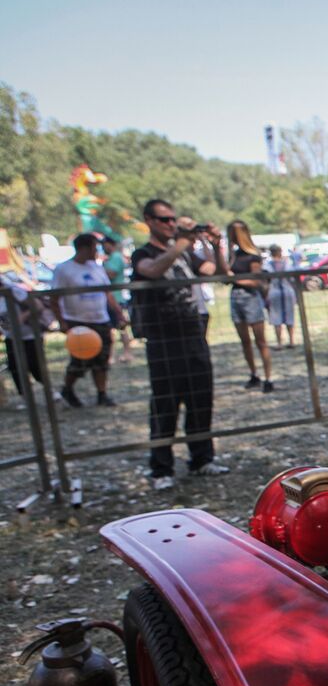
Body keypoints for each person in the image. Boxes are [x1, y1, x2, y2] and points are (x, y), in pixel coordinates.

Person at [130, 198, 229, 490]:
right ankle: (161, 468)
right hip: (163, 340)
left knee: (201, 400)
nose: (171, 224)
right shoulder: (143, 253)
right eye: (164, 219)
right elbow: (151, 270)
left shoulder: (184, 254)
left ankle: (202, 459)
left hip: (194, 334)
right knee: (165, 406)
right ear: (149, 220)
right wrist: (181, 243)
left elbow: (214, 271)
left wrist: (214, 243)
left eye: (173, 219)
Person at [52, 233, 124, 407]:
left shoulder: (97, 267)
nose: (96, 251)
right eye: (93, 247)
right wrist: (62, 321)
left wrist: (118, 313)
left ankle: (102, 393)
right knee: (79, 361)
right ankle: (67, 389)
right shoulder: (64, 269)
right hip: (78, 321)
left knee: (102, 360)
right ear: (83, 248)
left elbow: (107, 292)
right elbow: (54, 298)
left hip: (101, 319)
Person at [227, 220, 273, 392]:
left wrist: (234, 279)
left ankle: (268, 378)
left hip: (251, 299)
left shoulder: (253, 255)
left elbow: (256, 281)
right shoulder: (233, 255)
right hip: (235, 298)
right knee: (245, 341)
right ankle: (254, 374)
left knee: (260, 341)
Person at [1, 272, 46, 400]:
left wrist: (20, 318)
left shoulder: (13, 291)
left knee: (35, 366)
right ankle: (26, 397)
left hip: (31, 335)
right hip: (11, 337)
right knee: (15, 367)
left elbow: (38, 306)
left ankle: (51, 393)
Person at [175, 217, 216, 335]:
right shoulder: (176, 254)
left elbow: (210, 268)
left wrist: (204, 240)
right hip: (183, 313)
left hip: (199, 310)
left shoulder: (191, 256)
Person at [98, 235, 135, 363]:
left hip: (117, 298)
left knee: (121, 327)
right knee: (111, 329)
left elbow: (111, 274)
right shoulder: (110, 259)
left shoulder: (115, 257)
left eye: (104, 244)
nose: (103, 247)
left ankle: (127, 353)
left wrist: (99, 271)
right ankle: (111, 355)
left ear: (110, 244)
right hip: (109, 298)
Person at [264, 244, 298, 348]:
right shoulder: (287, 264)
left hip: (275, 292)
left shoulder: (267, 265)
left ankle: (280, 343)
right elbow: (292, 279)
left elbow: (266, 281)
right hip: (286, 291)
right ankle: (291, 341)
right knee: (289, 317)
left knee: (276, 319)